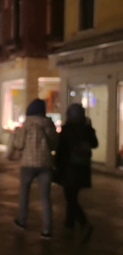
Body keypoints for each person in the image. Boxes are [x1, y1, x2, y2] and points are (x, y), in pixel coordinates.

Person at [11, 98, 58, 239]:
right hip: (45, 164)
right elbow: (55, 144)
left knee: (24, 193)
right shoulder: (49, 124)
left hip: (27, 164)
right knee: (45, 197)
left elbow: (19, 145)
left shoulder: (26, 125)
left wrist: (16, 136)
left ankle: (22, 220)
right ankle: (47, 230)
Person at [55, 103, 97, 242]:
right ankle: (69, 224)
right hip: (83, 168)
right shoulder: (86, 129)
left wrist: (56, 166)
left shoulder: (67, 130)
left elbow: (61, 150)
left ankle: (84, 223)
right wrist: (89, 128)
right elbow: (95, 144)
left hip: (70, 168)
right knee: (72, 196)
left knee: (70, 198)